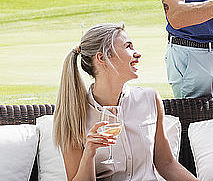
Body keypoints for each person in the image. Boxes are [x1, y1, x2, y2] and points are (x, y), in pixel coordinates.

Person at [53, 23, 202, 181]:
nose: (138, 54)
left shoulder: (150, 99)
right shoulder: (73, 115)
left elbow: (167, 163)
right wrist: (89, 153)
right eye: (128, 47)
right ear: (102, 58)